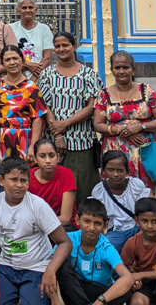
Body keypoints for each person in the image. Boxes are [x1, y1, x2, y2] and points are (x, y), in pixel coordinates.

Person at [91, 51, 156, 230]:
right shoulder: (104, 95)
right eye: (117, 67)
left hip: (147, 155)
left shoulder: (147, 91)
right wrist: (122, 130)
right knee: (119, 192)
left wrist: (141, 127)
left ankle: (152, 232)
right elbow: (97, 124)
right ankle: (123, 230)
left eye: (125, 67)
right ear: (111, 70)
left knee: (149, 193)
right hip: (116, 156)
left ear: (133, 68)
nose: (121, 71)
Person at [0, 156, 73, 305]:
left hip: (37, 267)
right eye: (13, 180)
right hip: (5, 266)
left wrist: (50, 270)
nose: (19, 185)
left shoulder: (38, 205)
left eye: (23, 180)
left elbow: (65, 242)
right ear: (1, 180)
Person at [37, 32, 102, 208]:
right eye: (57, 46)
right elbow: (44, 106)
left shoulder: (88, 74)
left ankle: (83, 225)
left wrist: (64, 124)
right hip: (53, 141)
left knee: (83, 185)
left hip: (82, 141)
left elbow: (92, 107)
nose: (61, 49)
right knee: (55, 187)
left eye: (65, 45)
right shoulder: (47, 75)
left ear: (74, 46)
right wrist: (58, 135)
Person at [54, 198, 134, 305]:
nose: (91, 228)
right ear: (78, 219)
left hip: (100, 292)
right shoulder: (68, 239)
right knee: (60, 264)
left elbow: (127, 278)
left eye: (97, 223)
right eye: (87, 221)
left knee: (127, 290)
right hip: (75, 291)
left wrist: (100, 301)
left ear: (105, 225)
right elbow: (50, 267)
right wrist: (54, 300)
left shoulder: (106, 248)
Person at [0, 46, 48, 161]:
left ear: (22, 60)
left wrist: (33, 146)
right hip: (1, 138)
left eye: (15, 58)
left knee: (23, 174)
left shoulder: (31, 87)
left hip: (25, 138)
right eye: (7, 60)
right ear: (2, 64)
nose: (12, 63)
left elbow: (37, 118)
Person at [92, 150, 151, 252]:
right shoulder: (99, 191)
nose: (115, 174)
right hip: (116, 231)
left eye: (120, 170)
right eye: (110, 170)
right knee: (106, 249)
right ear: (103, 171)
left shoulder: (136, 185)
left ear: (127, 171)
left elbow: (144, 209)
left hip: (138, 227)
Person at [28, 139, 76, 229]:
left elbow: (65, 219)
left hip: (62, 226)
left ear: (58, 157)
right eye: (42, 156)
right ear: (35, 159)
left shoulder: (66, 174)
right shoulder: (27, 177)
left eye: (51, 156)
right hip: (35, 227)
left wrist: (38, 225)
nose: (48, 160)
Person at [7, 0, 53, 77]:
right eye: (24, 8)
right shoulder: (10, 28)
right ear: (18, 11)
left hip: (39, 76)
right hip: (16, 76)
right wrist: (27, 65)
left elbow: (47, 57)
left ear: (36, 10)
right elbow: (8, 54)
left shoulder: (44, 29)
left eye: (30, 7)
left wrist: (34, 78)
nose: (27, 10)